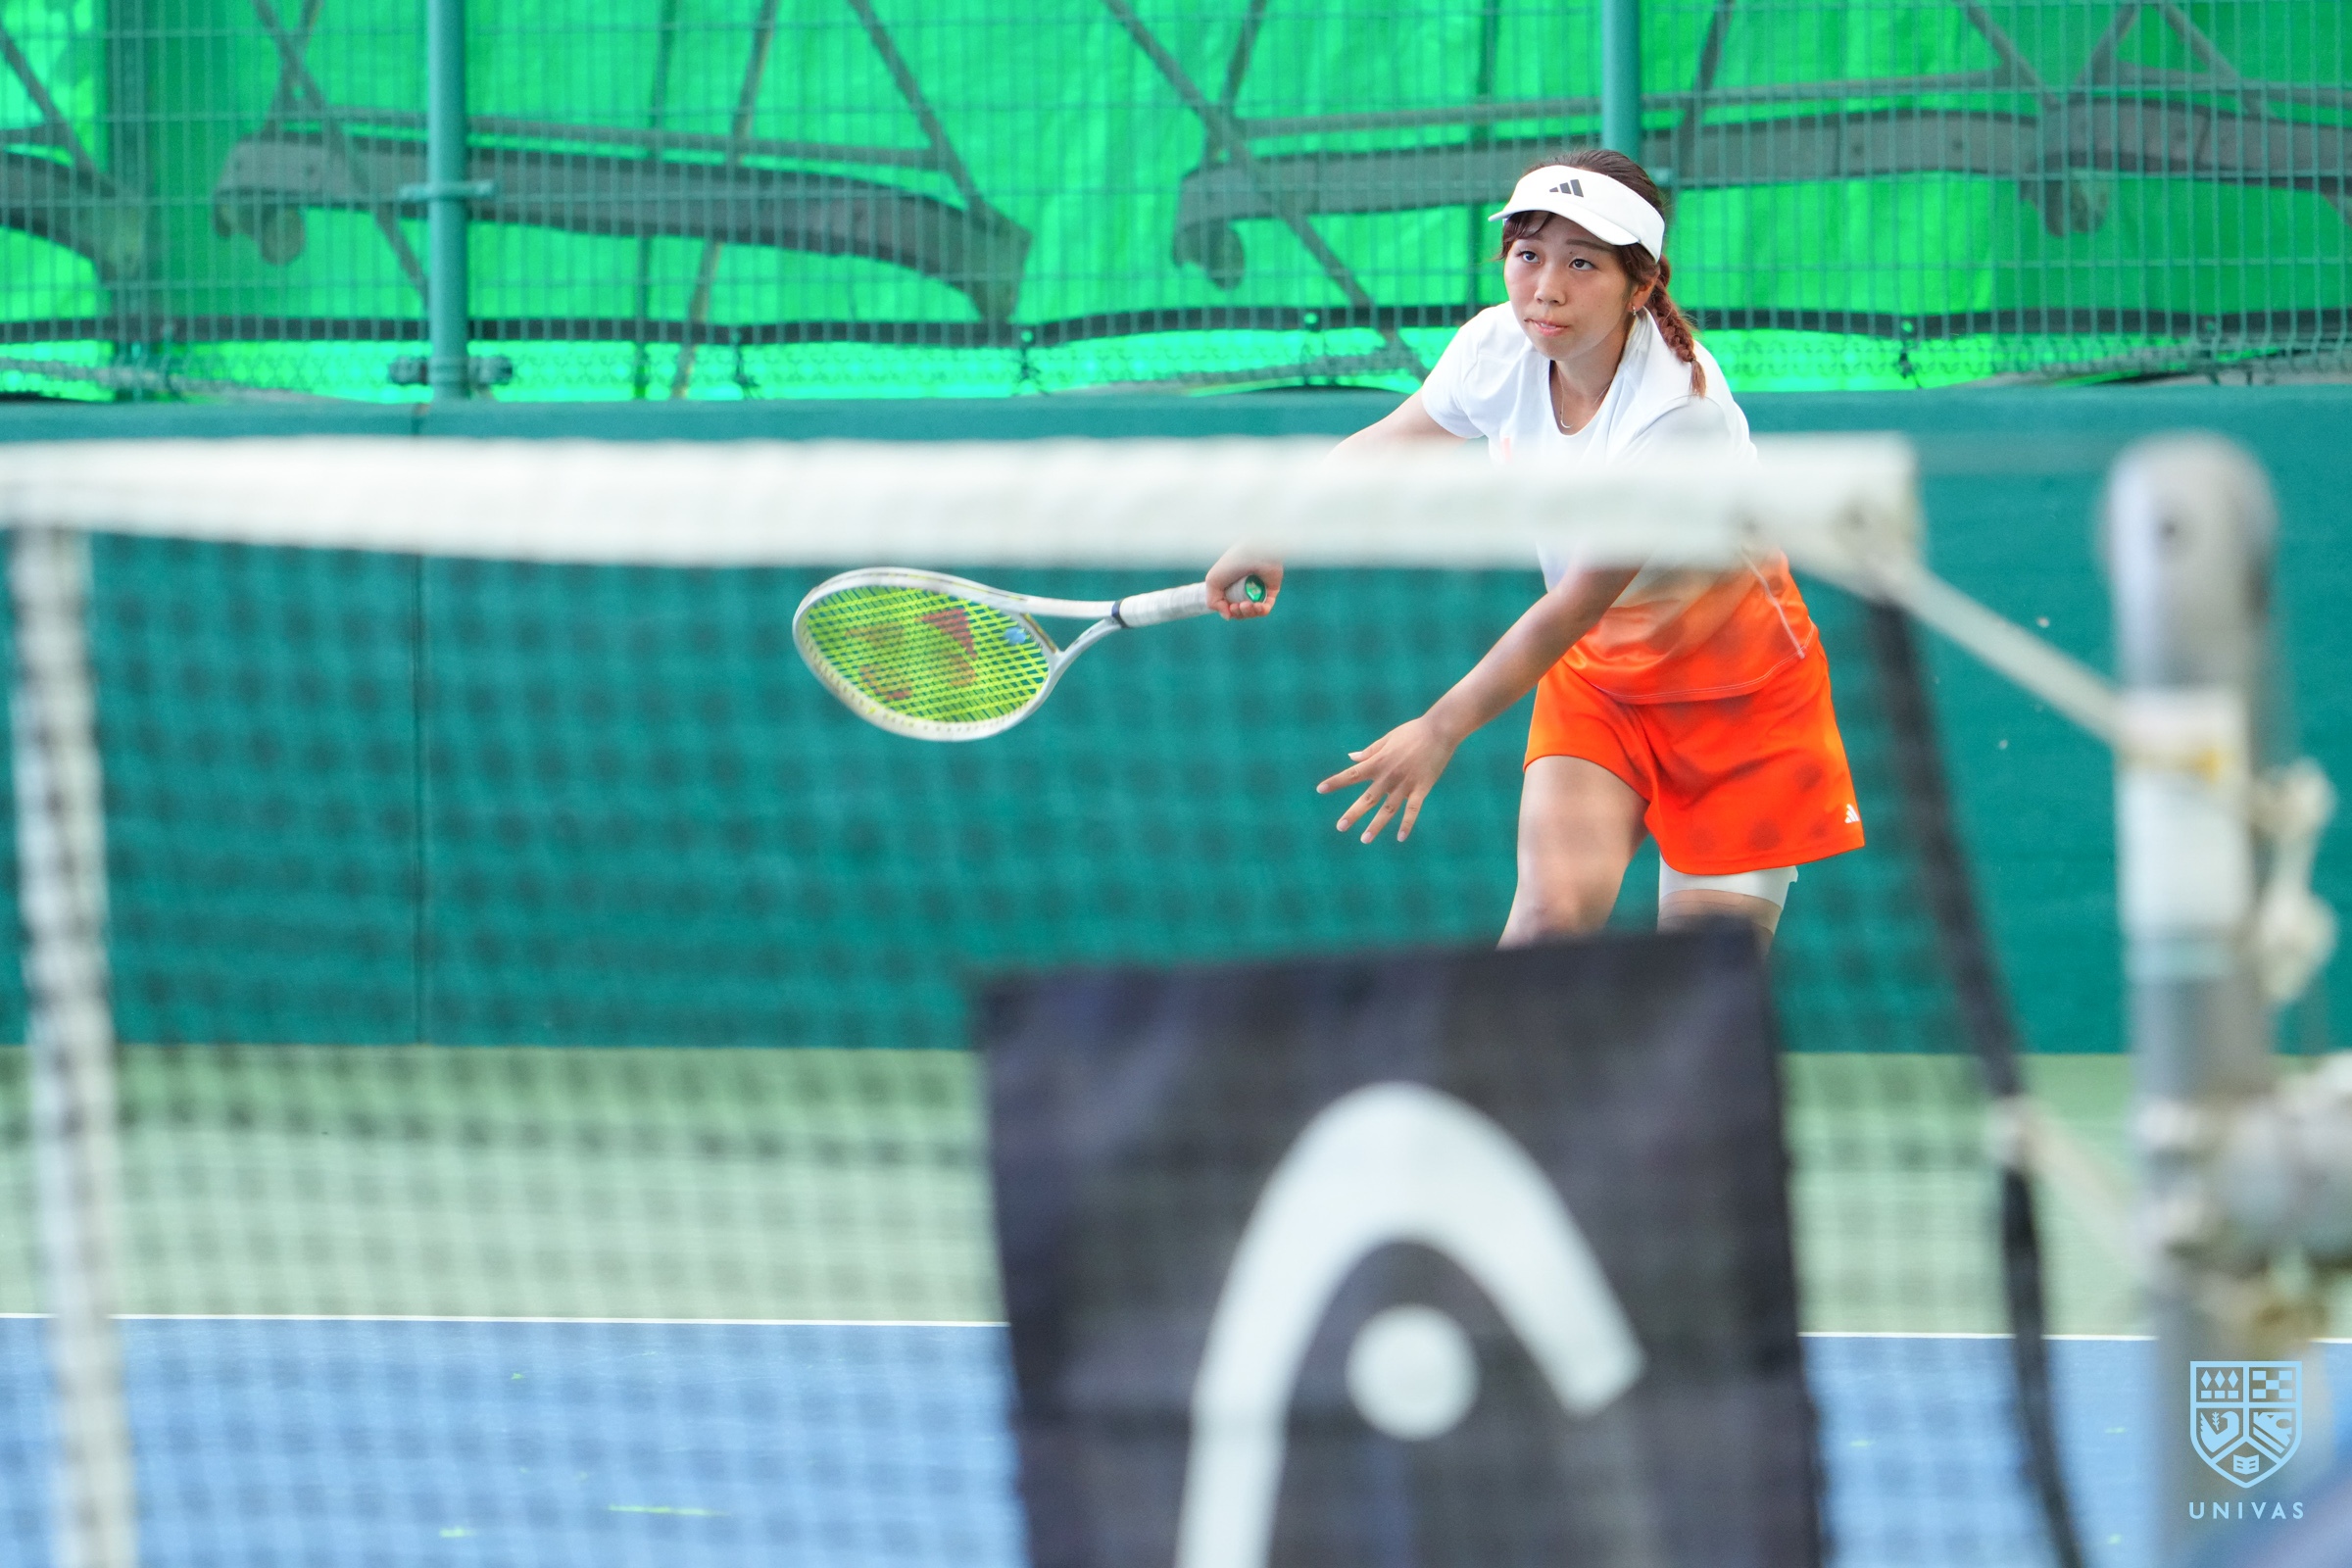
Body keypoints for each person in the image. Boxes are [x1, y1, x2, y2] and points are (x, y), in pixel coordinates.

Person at [1202, 149, 1864, 948]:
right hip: (1601, 684)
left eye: (1582, 263)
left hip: (1737, 696)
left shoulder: (1679, 418)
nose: (1546, 287)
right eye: (1528, 254)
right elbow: (1388, 444)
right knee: (1546, 930)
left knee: (1705, 974)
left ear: (1641, 285)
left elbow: (1577, 601)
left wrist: (1441, 727)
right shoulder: (1495, 349)